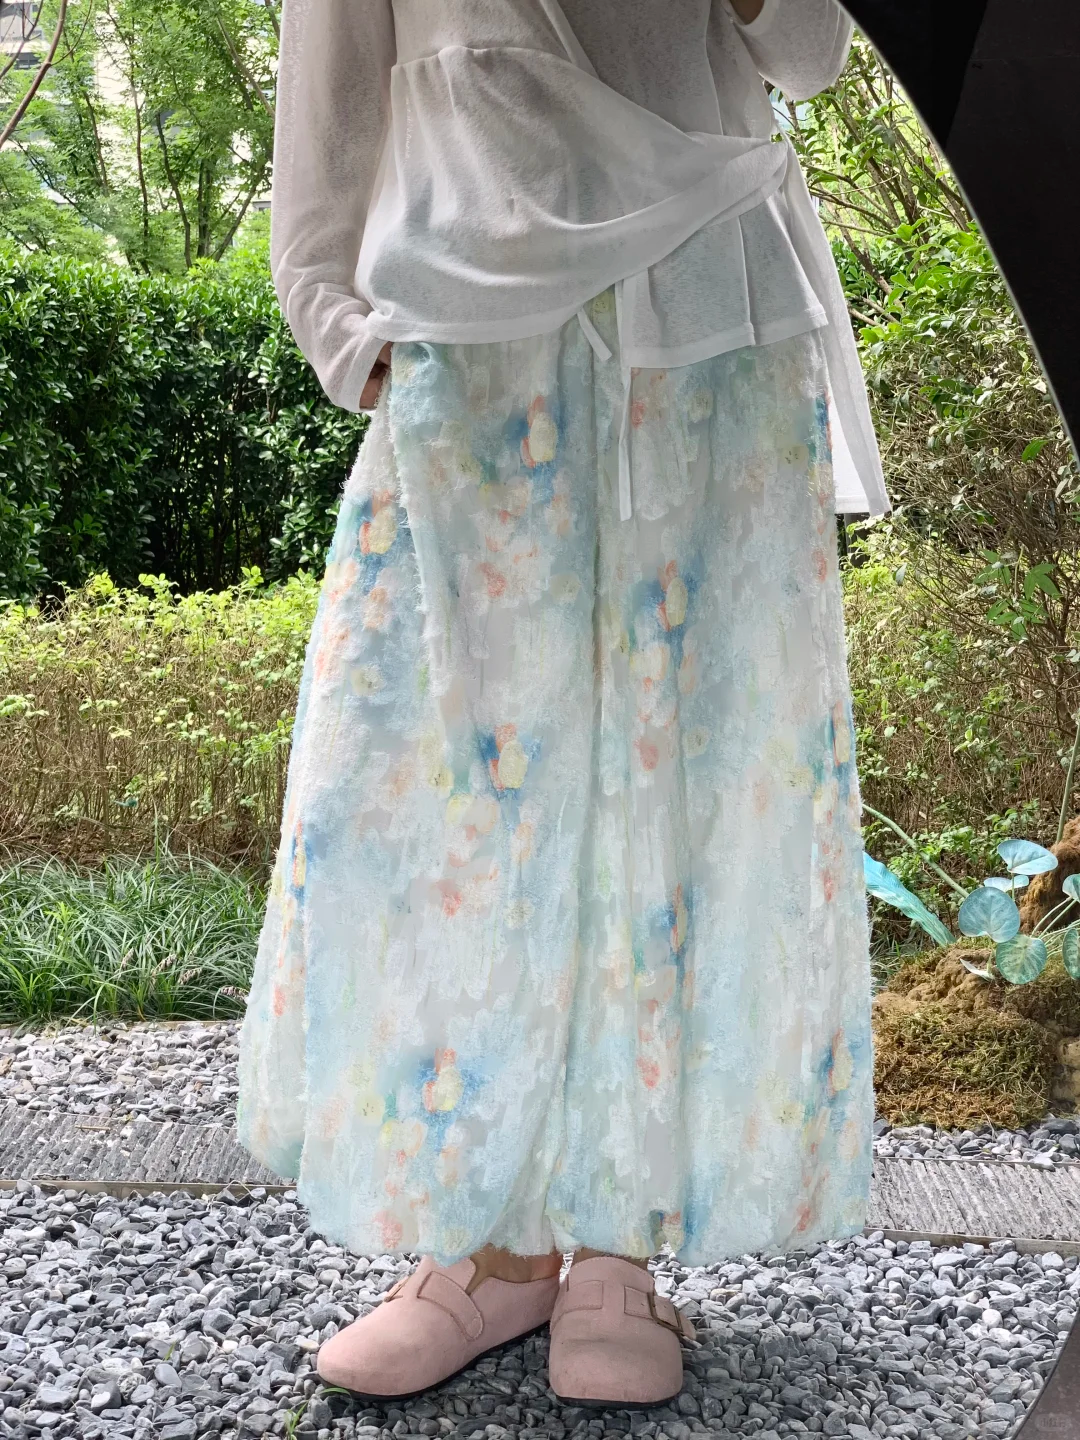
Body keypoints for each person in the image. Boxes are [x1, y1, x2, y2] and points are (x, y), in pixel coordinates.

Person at [238, 0, 890, 1408]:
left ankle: (614, 1246)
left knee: (683, 772)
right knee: (457, 796)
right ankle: (489, 1244)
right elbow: (330, 92)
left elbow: (811, 55)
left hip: (710, 323)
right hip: (470, 327)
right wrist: (341, 327)